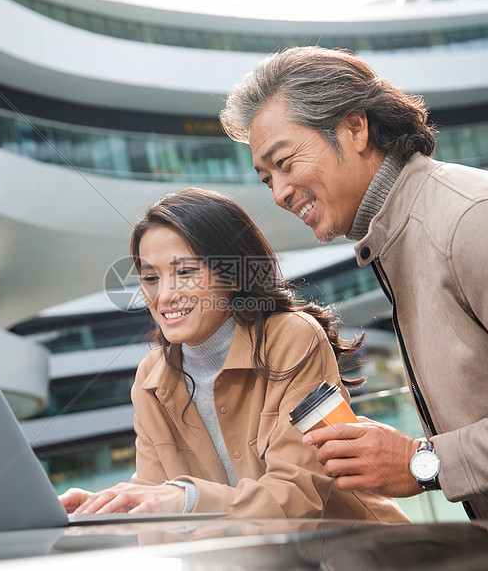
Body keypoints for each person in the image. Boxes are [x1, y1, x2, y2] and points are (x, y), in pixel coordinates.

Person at [219, 46, 488, 548]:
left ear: (356, 128)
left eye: (284, 162)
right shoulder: (399, 239)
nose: (277, 192)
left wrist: (422, 461)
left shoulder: (478, 220)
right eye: (265, 177)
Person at [58, 188, 408, 521]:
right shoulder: (151, 378)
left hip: (360, 552)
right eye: (150, 278)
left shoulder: (292, 336)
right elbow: (155, 496)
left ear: (233, 274)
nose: (164, 296)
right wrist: (108, 510)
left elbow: (298, 496)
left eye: (185, 272)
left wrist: (185, 499)